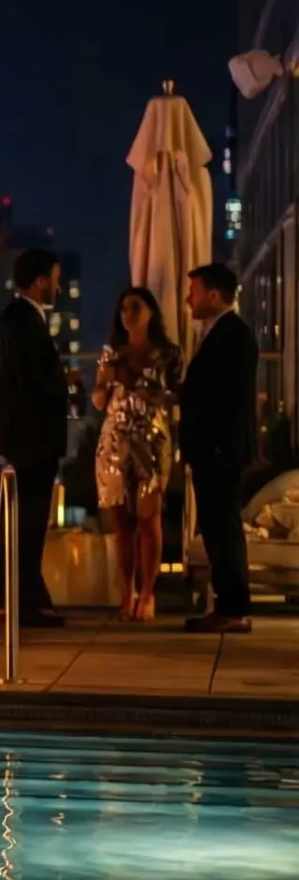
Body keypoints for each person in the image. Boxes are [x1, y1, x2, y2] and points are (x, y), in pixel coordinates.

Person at [0, 246, 72, 628]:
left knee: (25, 522)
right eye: (54, 279)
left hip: (23, 436)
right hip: (31, 437)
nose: (58, 285)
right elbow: (32, 381)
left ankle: (21, 598)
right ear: (40, 282)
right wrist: (64, 385)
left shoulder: (15, 318)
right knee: (29, 523)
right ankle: (25, 601)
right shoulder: (24, 321)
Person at [178, 263, 260, 634]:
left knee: (222, 527)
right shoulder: (220, 333)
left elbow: (223, 396)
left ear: (213, 294)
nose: (187, 299)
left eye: (193, 291)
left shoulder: (233, 335)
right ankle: (228, 605)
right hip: (213, 447)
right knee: (215, 527)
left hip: (219, 448)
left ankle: (234, 607)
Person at [92, 286, 178, 623]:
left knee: (149, 517)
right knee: (121, 523)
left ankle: (148, 593)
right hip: (114, 440)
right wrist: (103, 382)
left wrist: (128, 378)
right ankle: (125, 593)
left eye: (135, 307)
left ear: (151, 312)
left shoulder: (168, 353)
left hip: (152, 440)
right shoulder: (112, 352)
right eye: (123, 308)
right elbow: (99, 401)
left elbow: (168, 396)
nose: (127, 313)